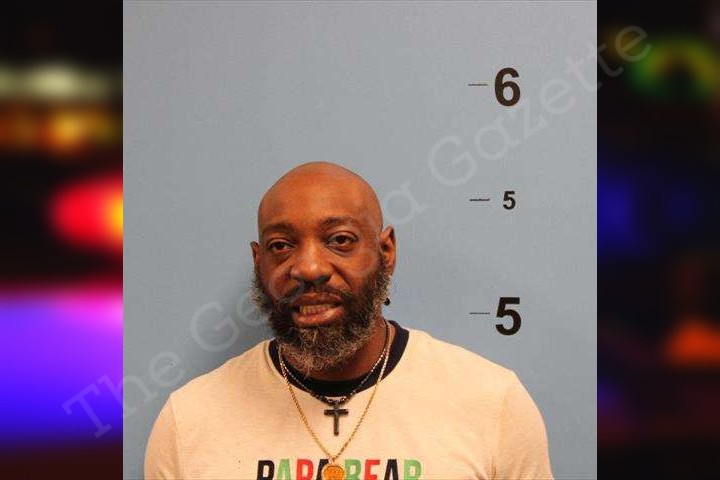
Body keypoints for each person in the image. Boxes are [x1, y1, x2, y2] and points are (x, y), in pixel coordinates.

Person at [145, 162, 554, 480]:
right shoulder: (190, 419)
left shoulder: (492, 402)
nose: (309, 268)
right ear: (258, 261)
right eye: (281, 246)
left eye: (339, 240)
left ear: (386, 252)